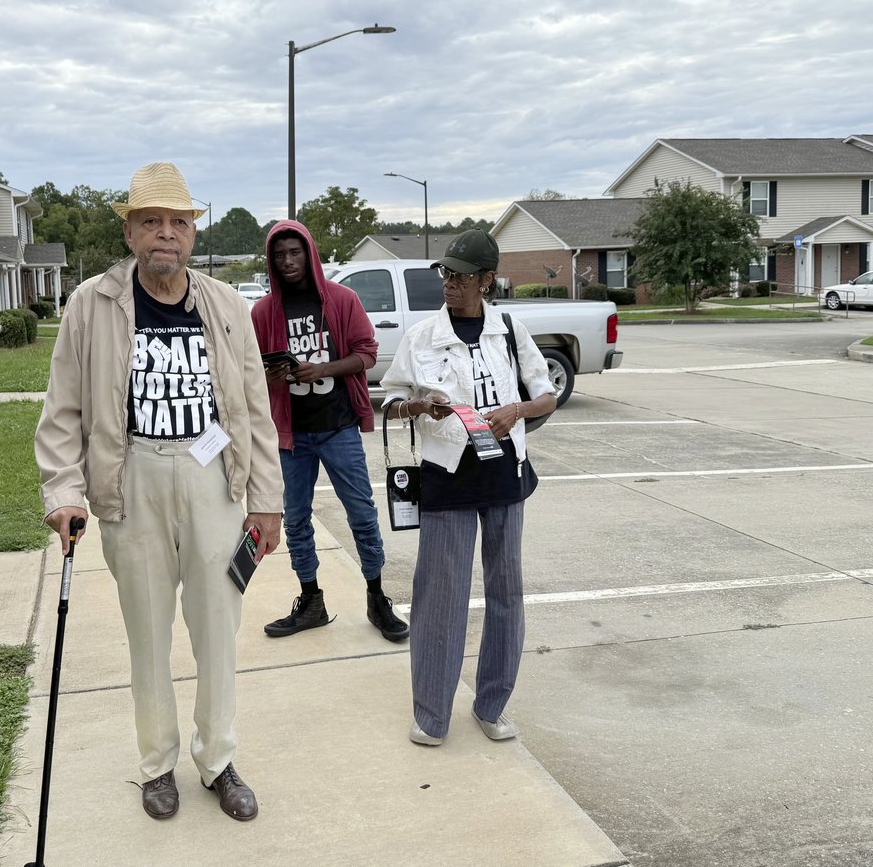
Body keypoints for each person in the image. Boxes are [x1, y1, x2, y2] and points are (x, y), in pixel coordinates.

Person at [34, 162, 283, 823]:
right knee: (147, 633)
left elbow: (254, 407)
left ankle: (218, 758)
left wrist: (267, 499)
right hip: (132, 476)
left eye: (178, 221)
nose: (165, 233)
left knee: (218, 629)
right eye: (151, 221)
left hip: (213, 479)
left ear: (193, 232)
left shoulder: (226, 305)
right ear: (130, 231)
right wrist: (64, 491)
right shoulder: (92, 304)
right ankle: (156, 764)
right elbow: (63, 411)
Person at [379, 229, 557, 746]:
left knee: (506, 591)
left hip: (504, 475)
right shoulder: (422, 337)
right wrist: (418, 406)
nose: (450, 285)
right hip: (446, 476)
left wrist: (518, 410)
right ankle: (432, 714)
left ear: (485, 280)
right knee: (441, 595)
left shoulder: (509, 330)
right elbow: (388, 401)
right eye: (446, 275)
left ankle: (492, 703)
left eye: (461, 277)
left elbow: (545, 395)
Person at [250, 220, 408, 642]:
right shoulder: (263, 311)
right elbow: (249, 374)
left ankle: (377, 597)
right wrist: (274, 375)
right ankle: (311, 601)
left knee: (361, 513)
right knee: (296, 519)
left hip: (338, 427)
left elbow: (366, 354)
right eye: (279, 254)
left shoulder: (341, 299)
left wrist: (322, 369)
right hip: (290, 435)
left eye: (295, 252)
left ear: (309, 253)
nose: (287, 261)